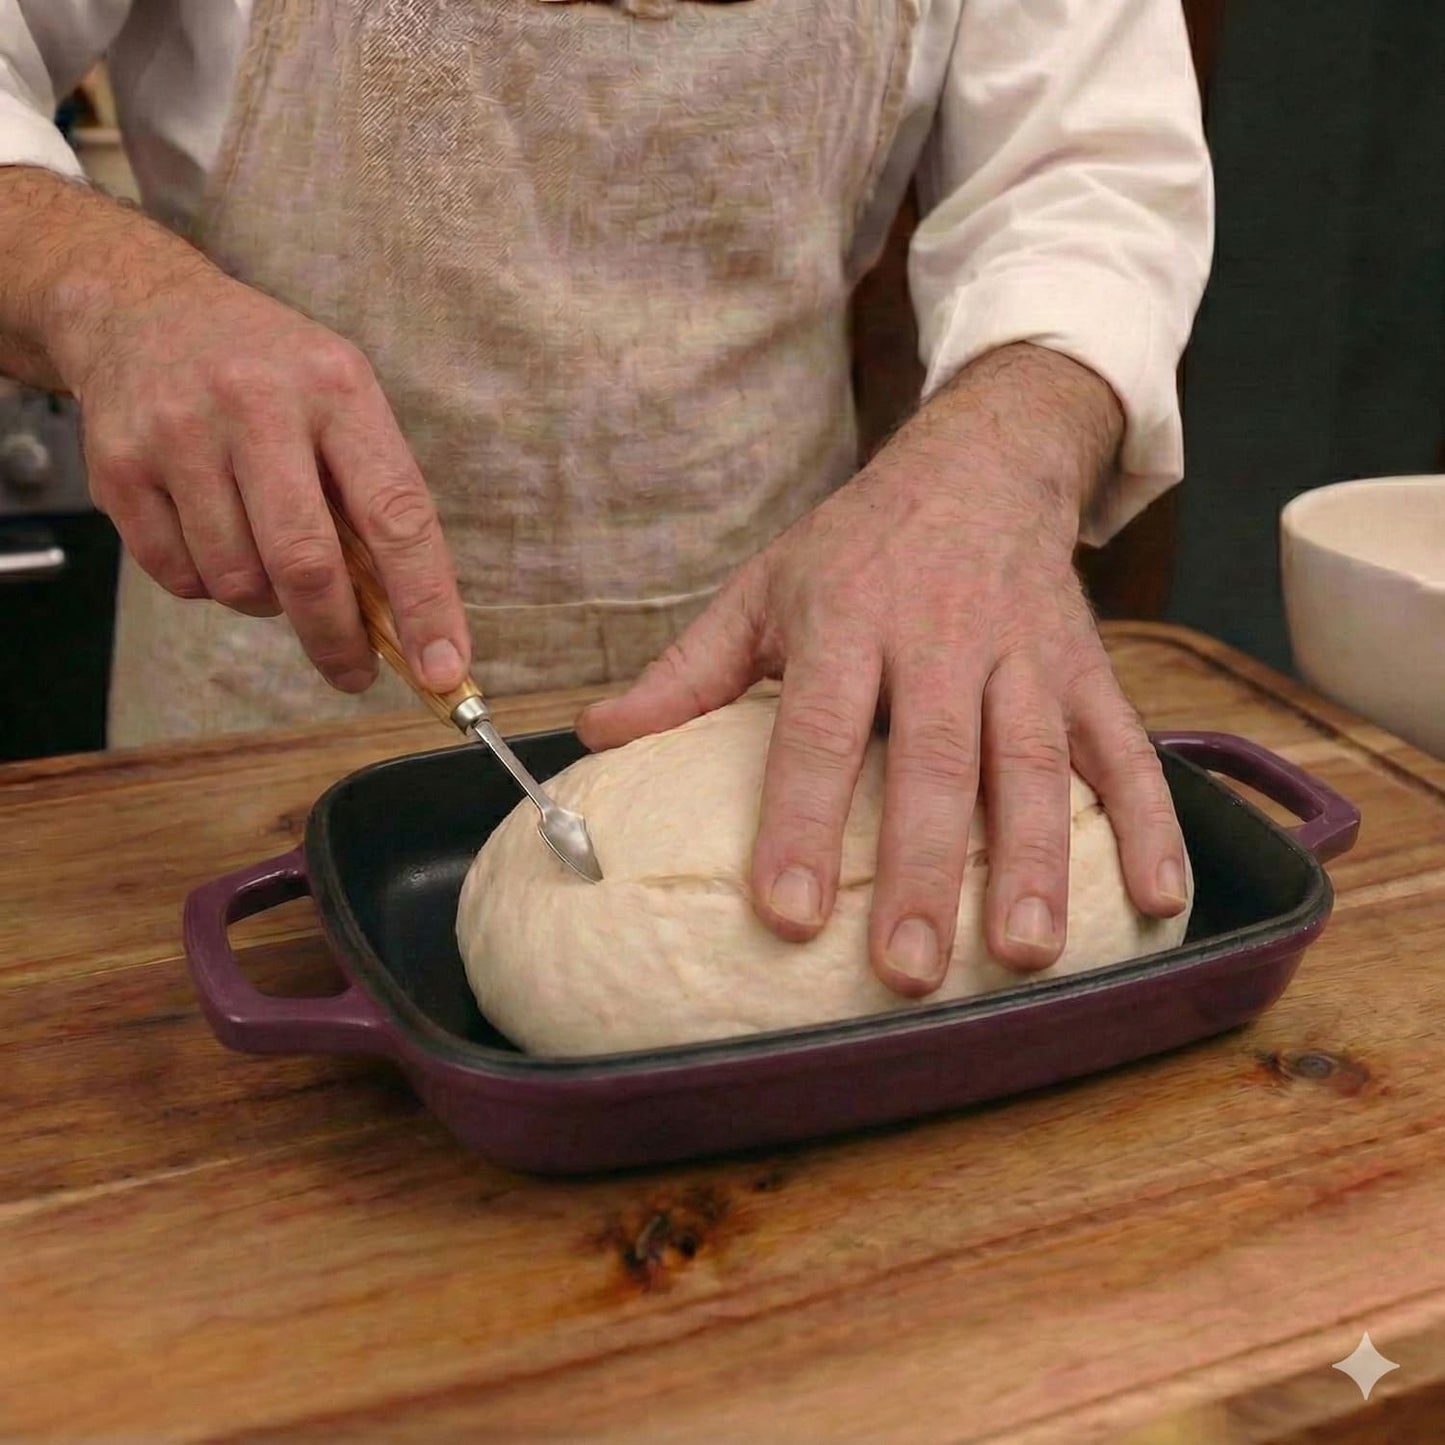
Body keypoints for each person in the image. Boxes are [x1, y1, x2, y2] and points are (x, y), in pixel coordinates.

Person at [0, 0, 1212, 1000]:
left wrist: (996, 463)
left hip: (796, 673)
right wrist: (112, 292)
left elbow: (1087, 172)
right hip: (257, 683)